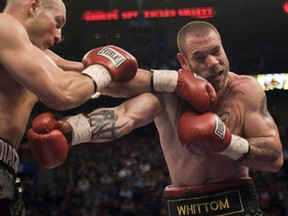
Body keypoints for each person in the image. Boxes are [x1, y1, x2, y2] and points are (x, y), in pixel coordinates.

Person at [28, 21, 284, 215]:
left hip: (237, 206)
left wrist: (228, 143)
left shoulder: (245, 90)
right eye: (200, 57)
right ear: (184, 62)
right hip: (181, 207)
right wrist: (73, 130)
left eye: (216, 51)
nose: (214, 62)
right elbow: (126, 115)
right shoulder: (169, 95)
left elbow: (274, 158)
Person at [0, 0, 141, 215]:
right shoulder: (3, 25)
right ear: (34, 5)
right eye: (57, 23)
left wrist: (169, 81)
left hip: (7, 171)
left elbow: (94, 78)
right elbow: (65, 92)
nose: (58, 36)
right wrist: (104, 71)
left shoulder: (34, 57)